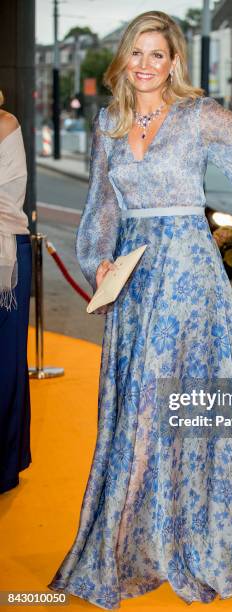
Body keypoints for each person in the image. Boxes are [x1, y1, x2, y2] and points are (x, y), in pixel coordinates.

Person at [48, 11, 232, 608]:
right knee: (140, 407)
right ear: (124, 61)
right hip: (136, 282)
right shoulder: (107, 125)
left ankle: (193, 532)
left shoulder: (199, 117)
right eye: (137, 53)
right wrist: (99, 260)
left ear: (175, 62)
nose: (146, 64)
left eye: (158, 53)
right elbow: (101, 205)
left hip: (191, 283)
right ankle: (135, 537)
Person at [0, 90, 32, 494]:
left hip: (6, 254)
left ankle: (5, 465)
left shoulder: (6, 124)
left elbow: (9, 203)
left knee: (6, 365)